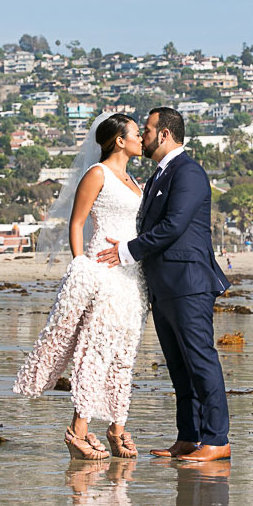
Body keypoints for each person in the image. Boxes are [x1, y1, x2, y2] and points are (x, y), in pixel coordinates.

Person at [97, 107, 232, 463]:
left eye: (148, 129)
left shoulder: (188, 172)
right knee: (179, 367)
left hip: (188, 283)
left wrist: (126, 252)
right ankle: (188, 437)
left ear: (165, 134)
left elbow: (173, 226)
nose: (143, 135)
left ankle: (217, 439)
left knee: (201, 362)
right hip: (163, 286)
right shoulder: (161, 173)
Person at [14, 113, 148, 460]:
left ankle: (117, 427)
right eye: (136, 133)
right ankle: (78, 431)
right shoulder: (97, 173)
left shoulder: (134, 180)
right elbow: (77, 222)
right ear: (119, 140)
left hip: (131, 277)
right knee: (95, 351)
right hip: (102, 272)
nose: (140, 138)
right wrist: (82, 266)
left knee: (123, 355)